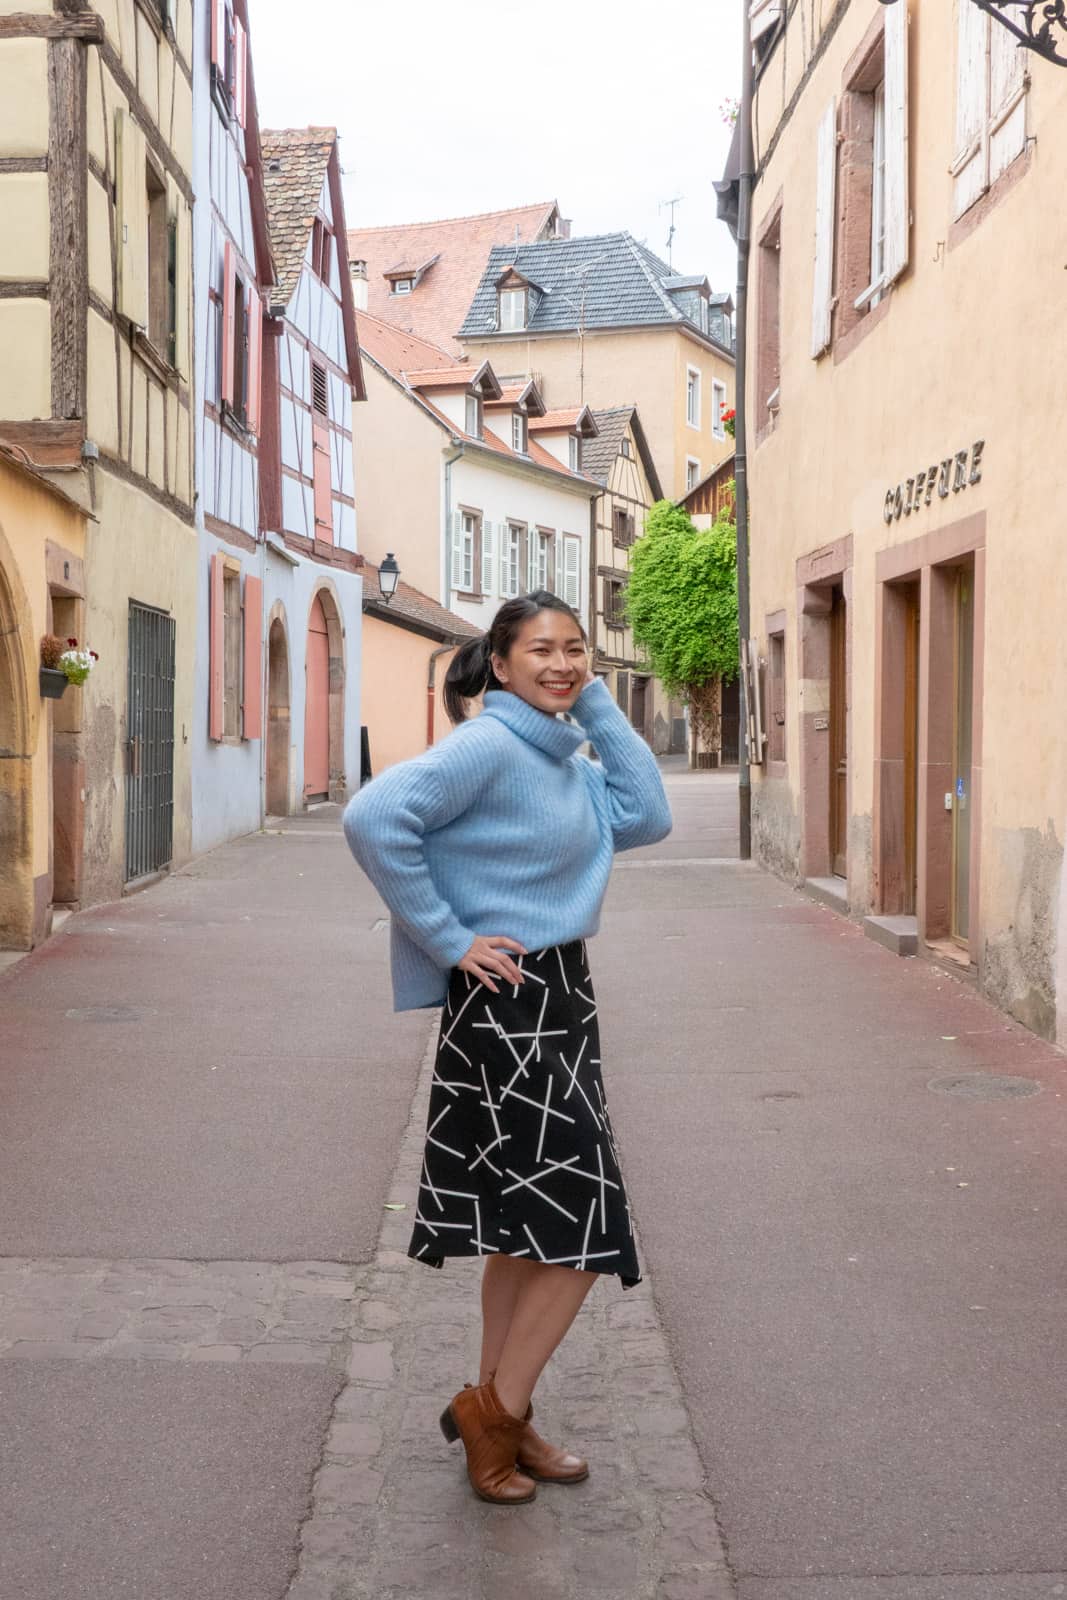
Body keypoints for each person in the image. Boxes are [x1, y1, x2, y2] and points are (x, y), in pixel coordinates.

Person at [343, 591, 672, 1506]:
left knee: (528, 1230)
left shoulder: (561, 751)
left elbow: (646, 817)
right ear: (499, 662)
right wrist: (450, 939)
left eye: (575, 650)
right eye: (540, 650)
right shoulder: (487, 746)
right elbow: (374, 819)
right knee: (578, 1231)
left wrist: (594, 706)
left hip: (559, 999)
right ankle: (498, 1410)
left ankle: (499, 1415)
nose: (562, 663)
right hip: (510, 1004)